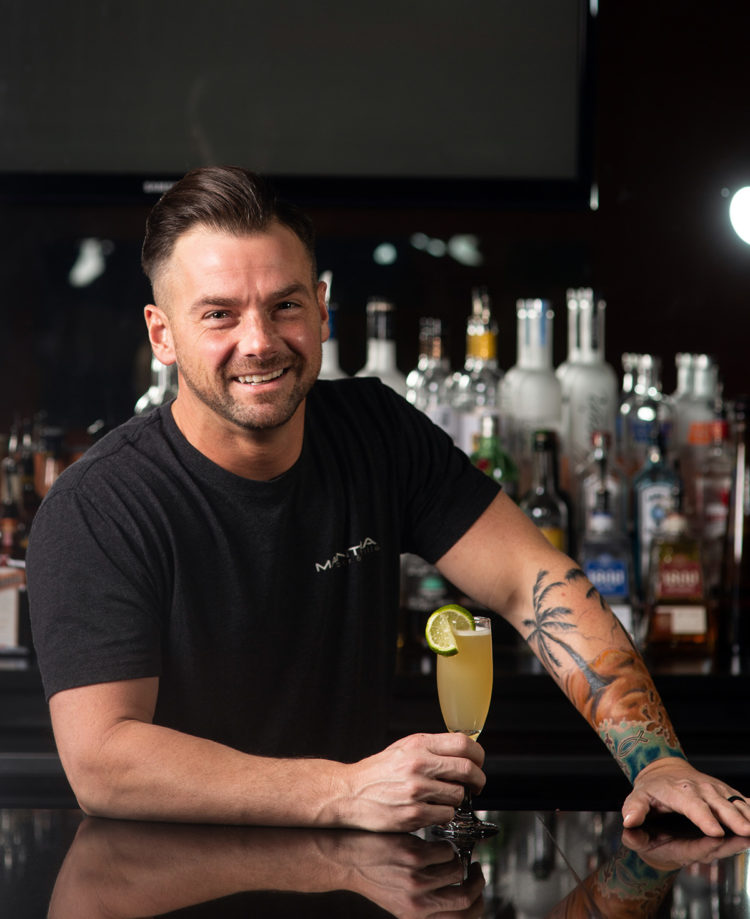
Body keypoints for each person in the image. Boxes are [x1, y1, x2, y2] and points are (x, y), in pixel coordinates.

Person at [27, 166, 749, 837]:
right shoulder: (100, 506)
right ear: (163, 334)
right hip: (170, 889)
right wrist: (343, 790)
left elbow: (536, 581)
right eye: (219, 314)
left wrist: (654, 759)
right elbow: (105, 762)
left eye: (285, 305)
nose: (260, 341)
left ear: (322, 307)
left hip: (357, 880)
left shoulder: (375, 431)